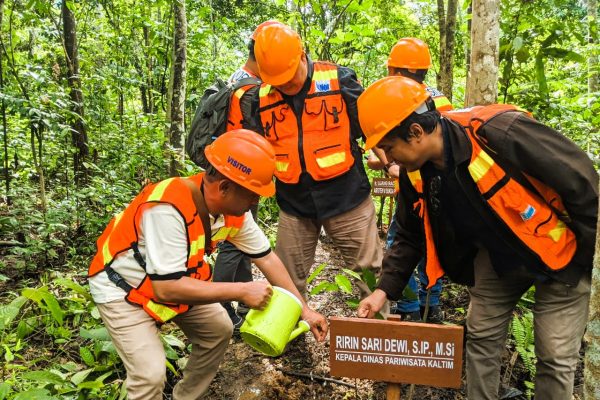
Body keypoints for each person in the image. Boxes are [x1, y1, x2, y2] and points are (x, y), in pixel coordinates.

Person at [356, 76, 598, 399]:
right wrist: (382, 291)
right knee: (481, 337)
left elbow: (583, 184)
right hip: (498, 259)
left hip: (562, 254)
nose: (387, 159)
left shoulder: (498, 132)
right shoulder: (415, 172)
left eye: (388, 148)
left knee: (554, 356)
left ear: (416, 133)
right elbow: (410, 234)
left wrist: (591, 258)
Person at [88, 130, 328, 400]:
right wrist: (240, 291)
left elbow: (267, 258)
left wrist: (305, 310)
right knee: (150, 374)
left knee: (219, 329)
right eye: (252, 194)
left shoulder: (235, 214)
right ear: (224, 187)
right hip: (123, 289)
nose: (255, 202)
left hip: (171, 282)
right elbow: (167, 289)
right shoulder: (167, 207)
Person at [250, 23, 383, 300]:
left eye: (289, 76)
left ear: (302, 55)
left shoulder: (339, 81)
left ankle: (375, 335)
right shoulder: (260, 99)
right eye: (278, 80)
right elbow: (256, 149)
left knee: (370, 275)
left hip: (347, 199)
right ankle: (288, 339)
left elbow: (374, 131)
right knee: (285, 280)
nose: (286, 85)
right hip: (294, 204)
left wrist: (392, 165)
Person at [374, 37, 452, 322]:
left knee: (401, 240)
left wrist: (389, 164)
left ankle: (408, 309)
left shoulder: (397, 100)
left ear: (394, 70)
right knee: (434, 244)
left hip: (414, 186)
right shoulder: (439, 98)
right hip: (442, 191)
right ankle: (430, 306)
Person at [215, 20, 284, 332]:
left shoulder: (236, 78)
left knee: (240, 238)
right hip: (241, 172)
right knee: (233, 242)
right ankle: (219, 311)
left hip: (230, 166)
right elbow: (261, 136)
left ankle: (240, 305)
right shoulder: (251, 90)